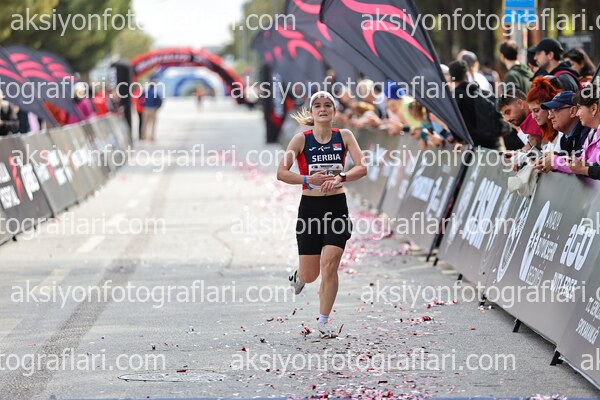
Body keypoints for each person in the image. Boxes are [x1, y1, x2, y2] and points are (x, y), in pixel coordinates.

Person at [277, 91, 367, 339]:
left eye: (328, 105)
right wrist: (308, 179)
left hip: (336, 207)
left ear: (334, 112)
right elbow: (281, 173)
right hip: (310, 210)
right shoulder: (301, 139)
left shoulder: (344, 136)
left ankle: (324, 321)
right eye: (317, 105)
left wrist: (341, 177)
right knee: (311, 274)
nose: (323, 108)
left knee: (330, 263)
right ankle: (299, 275)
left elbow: (362, 167)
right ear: (312, 112)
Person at [535, 90, 590, 173]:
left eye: (555, 110)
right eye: (550, 111)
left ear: (573, 111)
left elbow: (582, 165)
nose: (550, 116)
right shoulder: (564, 138)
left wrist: (555, 161)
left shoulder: (588, 133)